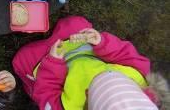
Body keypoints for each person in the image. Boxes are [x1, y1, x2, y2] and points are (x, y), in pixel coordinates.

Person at [13, 16, 170, 109]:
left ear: (88, 97)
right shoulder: (139, 75)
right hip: (86, 51)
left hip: (54, 72)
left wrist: (52, 63)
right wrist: (101, 42)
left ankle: (29, 84)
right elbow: (123, 53)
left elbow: (47, 93)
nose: (103, 73)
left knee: (21, 60)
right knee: (77, 23)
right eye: (110, 73)